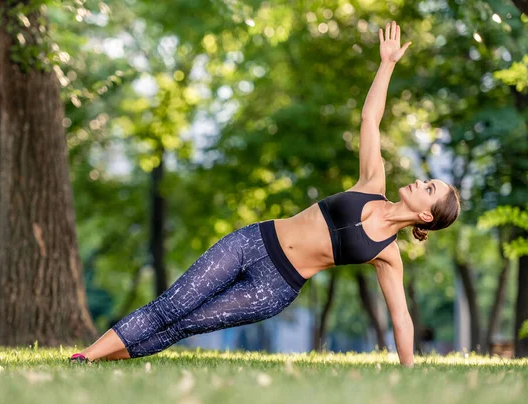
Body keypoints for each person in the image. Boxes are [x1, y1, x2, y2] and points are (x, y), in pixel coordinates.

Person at [69, 21, 460, 368]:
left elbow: (401, 318)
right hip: (252, 242)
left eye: (429, 189)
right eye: (428, 181)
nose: (421, 182)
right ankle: (86, 356)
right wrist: (387, 63)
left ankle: (95, 360)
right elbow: (369, 119)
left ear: (427, 216)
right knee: (174, 304)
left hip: (273, 288)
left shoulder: (387, 256)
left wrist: (410, 374)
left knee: (185, 323)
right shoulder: (372, 183)